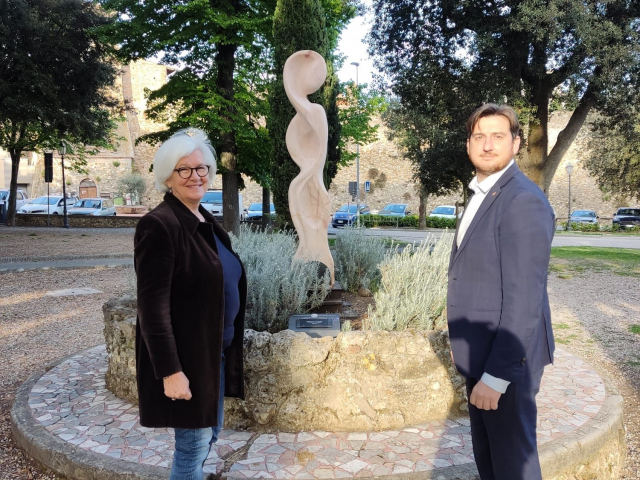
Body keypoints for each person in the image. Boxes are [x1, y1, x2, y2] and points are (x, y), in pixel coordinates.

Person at [447, 104, 555, 480]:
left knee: (514, 468)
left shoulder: (522, 200)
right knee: (491, 465)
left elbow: (525, 299)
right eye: (479, 136)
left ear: (516, 143)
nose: (487, 145)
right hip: (484, 356)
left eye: (498, 136)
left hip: (506, 364)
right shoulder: (484, 192)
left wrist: (495, 377)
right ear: (468, 145)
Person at [134, 129, 247, 480]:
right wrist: (170, 371)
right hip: (187, 360)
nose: (195, 176)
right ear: (167, 177)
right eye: (184, 170)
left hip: (212, 354)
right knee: (193, 447)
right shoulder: (159, 225)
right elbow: (152, 308)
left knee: (206, 436)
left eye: (202, 168)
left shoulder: (206, 221)